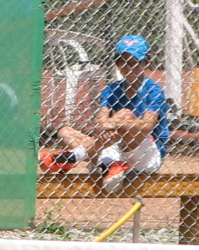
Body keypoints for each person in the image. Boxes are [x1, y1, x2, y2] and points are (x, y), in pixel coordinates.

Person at [41, 33, 169, 190]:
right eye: (123, 61)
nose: (129, 67)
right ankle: (110, 165)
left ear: (146, 63)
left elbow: (147, 125)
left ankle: (74, 156)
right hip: (114, 148)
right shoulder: (111, 89)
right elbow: (100, 123)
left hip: (147, 155)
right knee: (65, 131)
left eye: (135, 62)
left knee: (125, 114)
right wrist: (108, 127)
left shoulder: (154, 90)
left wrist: (114, 123)